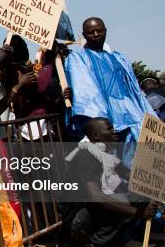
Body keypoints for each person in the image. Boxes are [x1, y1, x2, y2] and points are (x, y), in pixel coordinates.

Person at [61, 117, 158, 247]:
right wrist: (138, 212)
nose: (114, 132)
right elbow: (97, 198)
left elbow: (132, 177)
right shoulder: (85, 156)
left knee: (139, 197)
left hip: (91, 215)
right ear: (95, 136)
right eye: (109, 129)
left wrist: (155, 188)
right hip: (76, 225)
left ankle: (115, 243)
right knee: (118, 203)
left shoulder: (106, 155)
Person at [65, 17, 155, 157]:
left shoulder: (119, 58)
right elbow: (85, 91)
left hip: (131, 114)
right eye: (91, 32)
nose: (96, 34)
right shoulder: (78, 58)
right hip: (106, 117)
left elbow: (134, 90)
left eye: (99, 30)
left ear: (105, 31)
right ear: (84, 35)